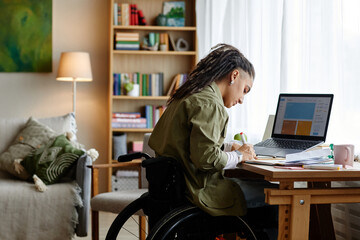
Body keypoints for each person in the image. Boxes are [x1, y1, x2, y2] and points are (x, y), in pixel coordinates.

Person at [148, 43, 277, 239]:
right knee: (275, 195)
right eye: (245, 90)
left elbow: (187, 144)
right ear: (234, 76)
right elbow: (206, 159)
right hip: (198, 190)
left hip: (176, 186)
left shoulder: (187, 95)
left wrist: (228, 148)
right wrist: (239, 155)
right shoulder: (209, 103)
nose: (242, 99)